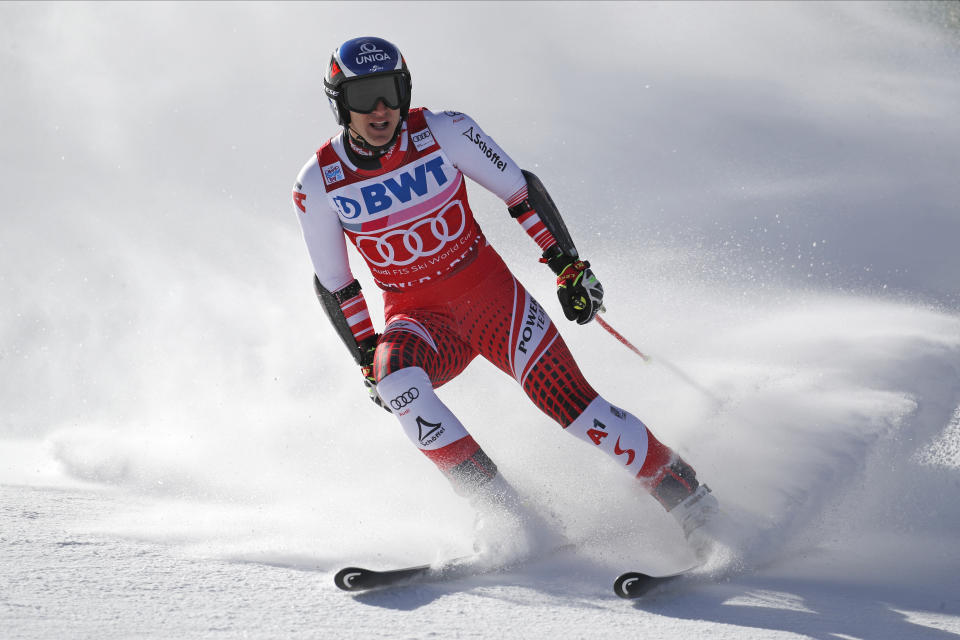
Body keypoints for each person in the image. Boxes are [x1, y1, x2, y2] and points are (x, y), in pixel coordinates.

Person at [292, 36, 718, 556]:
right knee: (395, 378)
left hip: (495, 305)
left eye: (390, 91)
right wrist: (364, 353)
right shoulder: (319, 182)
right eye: (364, 97)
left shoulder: (445, 130)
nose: (380, 109)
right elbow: (335, 283)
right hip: (422, 321)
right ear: (340, 103)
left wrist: (567, 266)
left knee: (578, 412)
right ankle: (506, 516)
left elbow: (519, 189)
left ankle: (692, 501)